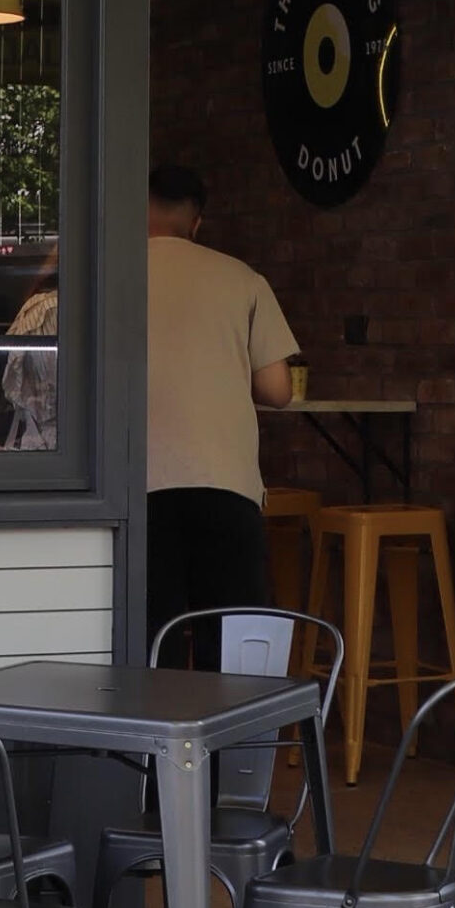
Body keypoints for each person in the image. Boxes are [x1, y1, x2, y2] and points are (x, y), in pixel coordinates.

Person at [145, 164, 298, 654]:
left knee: (152, 643)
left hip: (137, 488)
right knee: (232, 646)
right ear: (196, 222)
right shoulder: (242, 279)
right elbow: (278, 389)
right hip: (226, 485)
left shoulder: (109, 274)